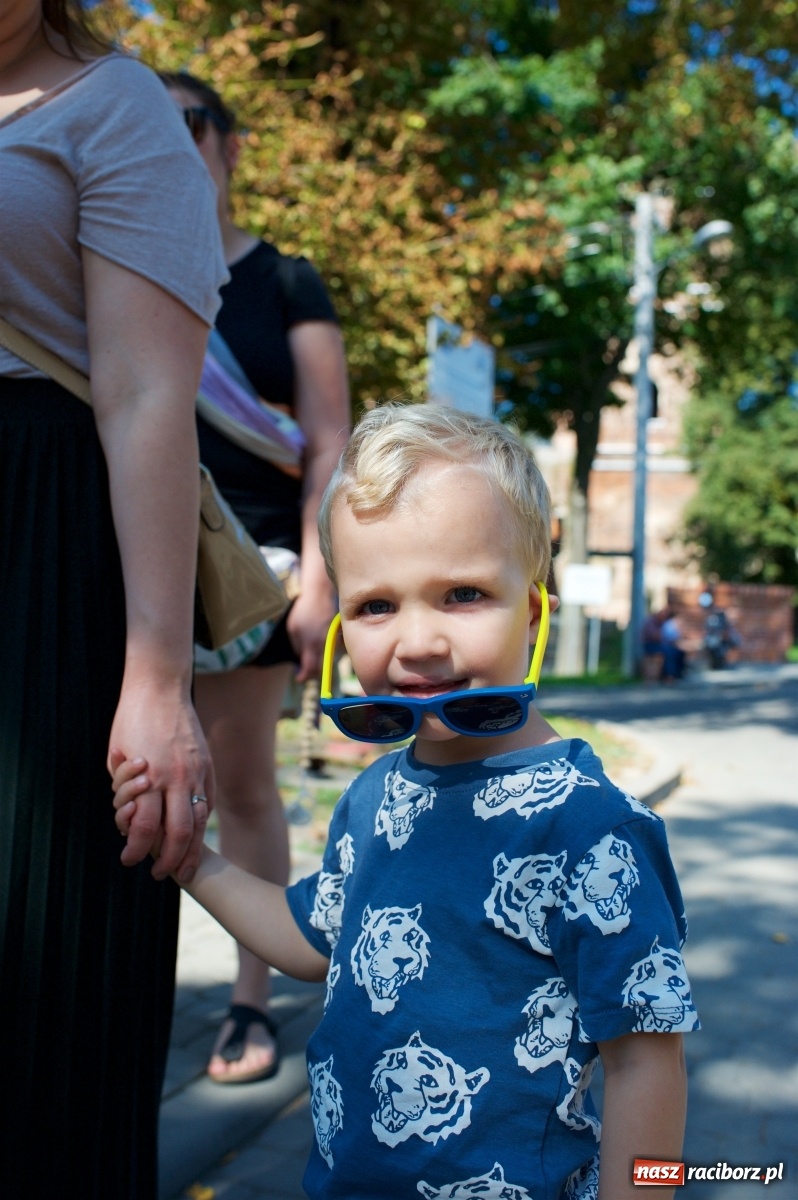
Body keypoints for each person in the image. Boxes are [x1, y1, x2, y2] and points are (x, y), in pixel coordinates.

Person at [114, 405, 698, 1200]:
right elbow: (312, 939)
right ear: (340, 629)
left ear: (532, 610)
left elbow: (646, 1063)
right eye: (376, 605)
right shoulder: (374, 795)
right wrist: (193, 859)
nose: (417, 641)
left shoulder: (588, 825)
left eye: (461, 593)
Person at [0, 3, 227, 1196]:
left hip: (48, 563)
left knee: (45, 1000)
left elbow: (146, 398)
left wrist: (155, 684)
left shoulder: (117, 107)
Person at [158, 72, 351, 1084]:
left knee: (239, 789)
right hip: (129, 563)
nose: (169, 138)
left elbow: (329, 443)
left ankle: (249, 1001)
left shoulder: (286, 281)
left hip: (253, 573)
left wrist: (320, 580)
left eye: (188, 121)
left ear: (230, 146)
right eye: (148, 122)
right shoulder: (120, 263)